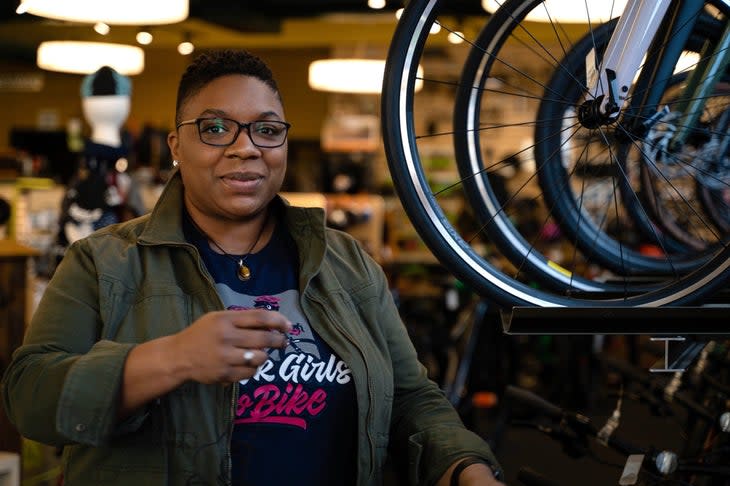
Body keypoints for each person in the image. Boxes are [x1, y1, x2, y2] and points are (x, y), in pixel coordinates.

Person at [1, 49, 504, 486]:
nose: (246, 147)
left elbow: (411, 399)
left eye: (266, 129)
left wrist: (465, 467)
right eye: (215, 128)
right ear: (176, 146)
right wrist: (173, 358)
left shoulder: (347, 264)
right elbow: (29, 396)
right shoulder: (104, 261)